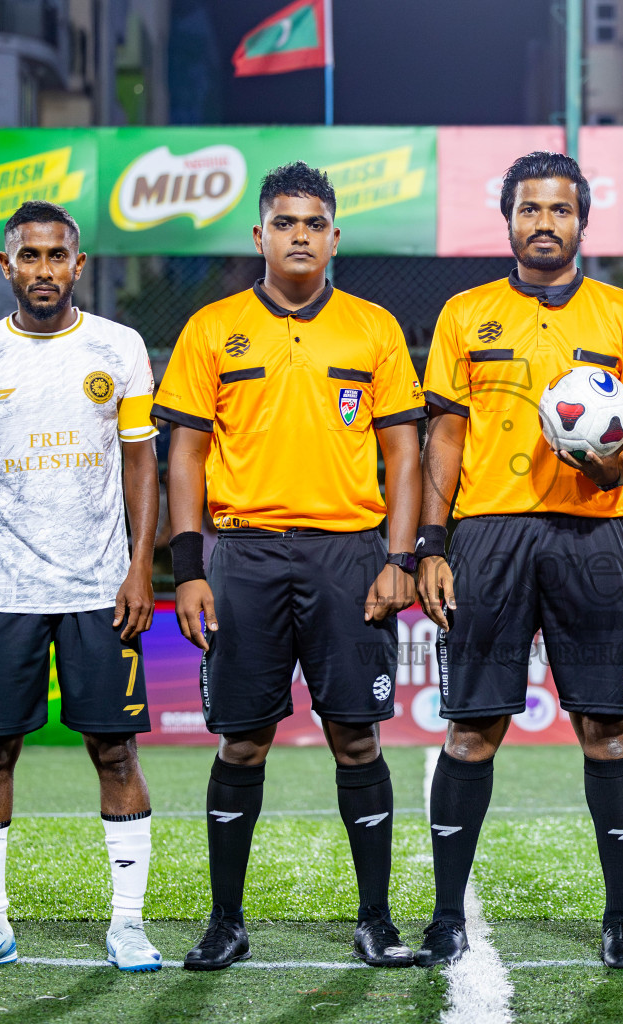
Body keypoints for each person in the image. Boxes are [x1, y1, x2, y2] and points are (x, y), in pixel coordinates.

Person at [154, 162, 424, 972]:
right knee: (242, 743)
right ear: (259, 236)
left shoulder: (373, 328)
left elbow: (404, 455)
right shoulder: (213, 328)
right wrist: (188, 568)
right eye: (284, 222)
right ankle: (225, 922)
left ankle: (374, 920)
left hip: (348, 555)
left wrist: (399, 558)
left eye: (314, 223)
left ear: (335, 237)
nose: (299, 235)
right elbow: (185, 456)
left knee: (357, 740)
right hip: (242, 556)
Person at [414, 151, 623, 969]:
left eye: (560, 210)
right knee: (472, 729)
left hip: (594, 532)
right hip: (488, 535)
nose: (544, 223)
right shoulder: (465, 313)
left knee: (606, 726)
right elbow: (443, 438)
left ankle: (621, 919)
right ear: (510, 220)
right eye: (530, 209)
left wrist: (615, 465)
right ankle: (447, 916)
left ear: (581, 219)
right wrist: (431, 543)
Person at [0, 201, 161, 974]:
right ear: (6, 266)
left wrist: (140, 565)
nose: (43, 270)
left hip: (100, 586)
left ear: (78, 265)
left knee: (115, 750)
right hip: (2, 593)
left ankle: (128, 924)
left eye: (56, 256)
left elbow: (141, 462)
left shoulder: (118, 346)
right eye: (28, 257)